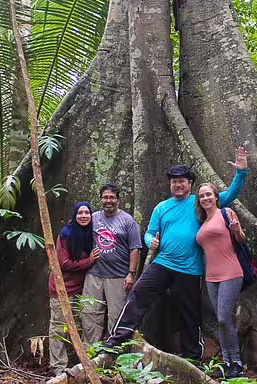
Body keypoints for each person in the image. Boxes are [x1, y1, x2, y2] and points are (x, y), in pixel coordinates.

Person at [103, 147, 249, 360]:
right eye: (174, 181)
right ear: (170, 185)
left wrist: (241, 173)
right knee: (138, 294)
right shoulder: (162, 207)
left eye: (182, 181)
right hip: (163, 263)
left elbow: (230, 195)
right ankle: (116, 341)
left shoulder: (200, 203)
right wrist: (149, 241)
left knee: (189, 314)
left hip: (190, 269)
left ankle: (192, 358)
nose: (178, 184)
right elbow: (150, 231)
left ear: (189, 184)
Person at [81, 183, 142, 344]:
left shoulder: (127, 220)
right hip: (94, 274)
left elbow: (135, 248)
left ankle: (112, 354)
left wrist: (131, 273)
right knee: (90, 314)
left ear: (118, 200)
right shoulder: (93, 218)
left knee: (116, 316)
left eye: (112, 197)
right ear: (100, 199)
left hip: (118, 276)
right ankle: (90, 353)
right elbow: (77, 234)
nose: (108, 200)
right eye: (105, 197)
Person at [195, 183, 245, 378]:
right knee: (220, 320)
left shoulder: (226, 212)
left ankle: (237, 362)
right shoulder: (202, 221)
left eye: (208, 194)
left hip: (231, 272)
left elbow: (241, 239)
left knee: (224, 318)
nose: (205, 198)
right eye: (201, 196)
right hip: (211, 277)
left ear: (216, 197)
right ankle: (227, 362)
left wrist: (237, 230)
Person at [48, 202, 101, 374]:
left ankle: (86, 364)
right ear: (74, 215)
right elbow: (63, 263)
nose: (84, 216)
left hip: (82, 288)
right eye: (80, 213)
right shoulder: (66, 234)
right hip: (62, 288)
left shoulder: (91, 234)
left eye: (87, 212)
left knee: (86, 324)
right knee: (58, 328)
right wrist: (89, 261)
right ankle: (58, 368)